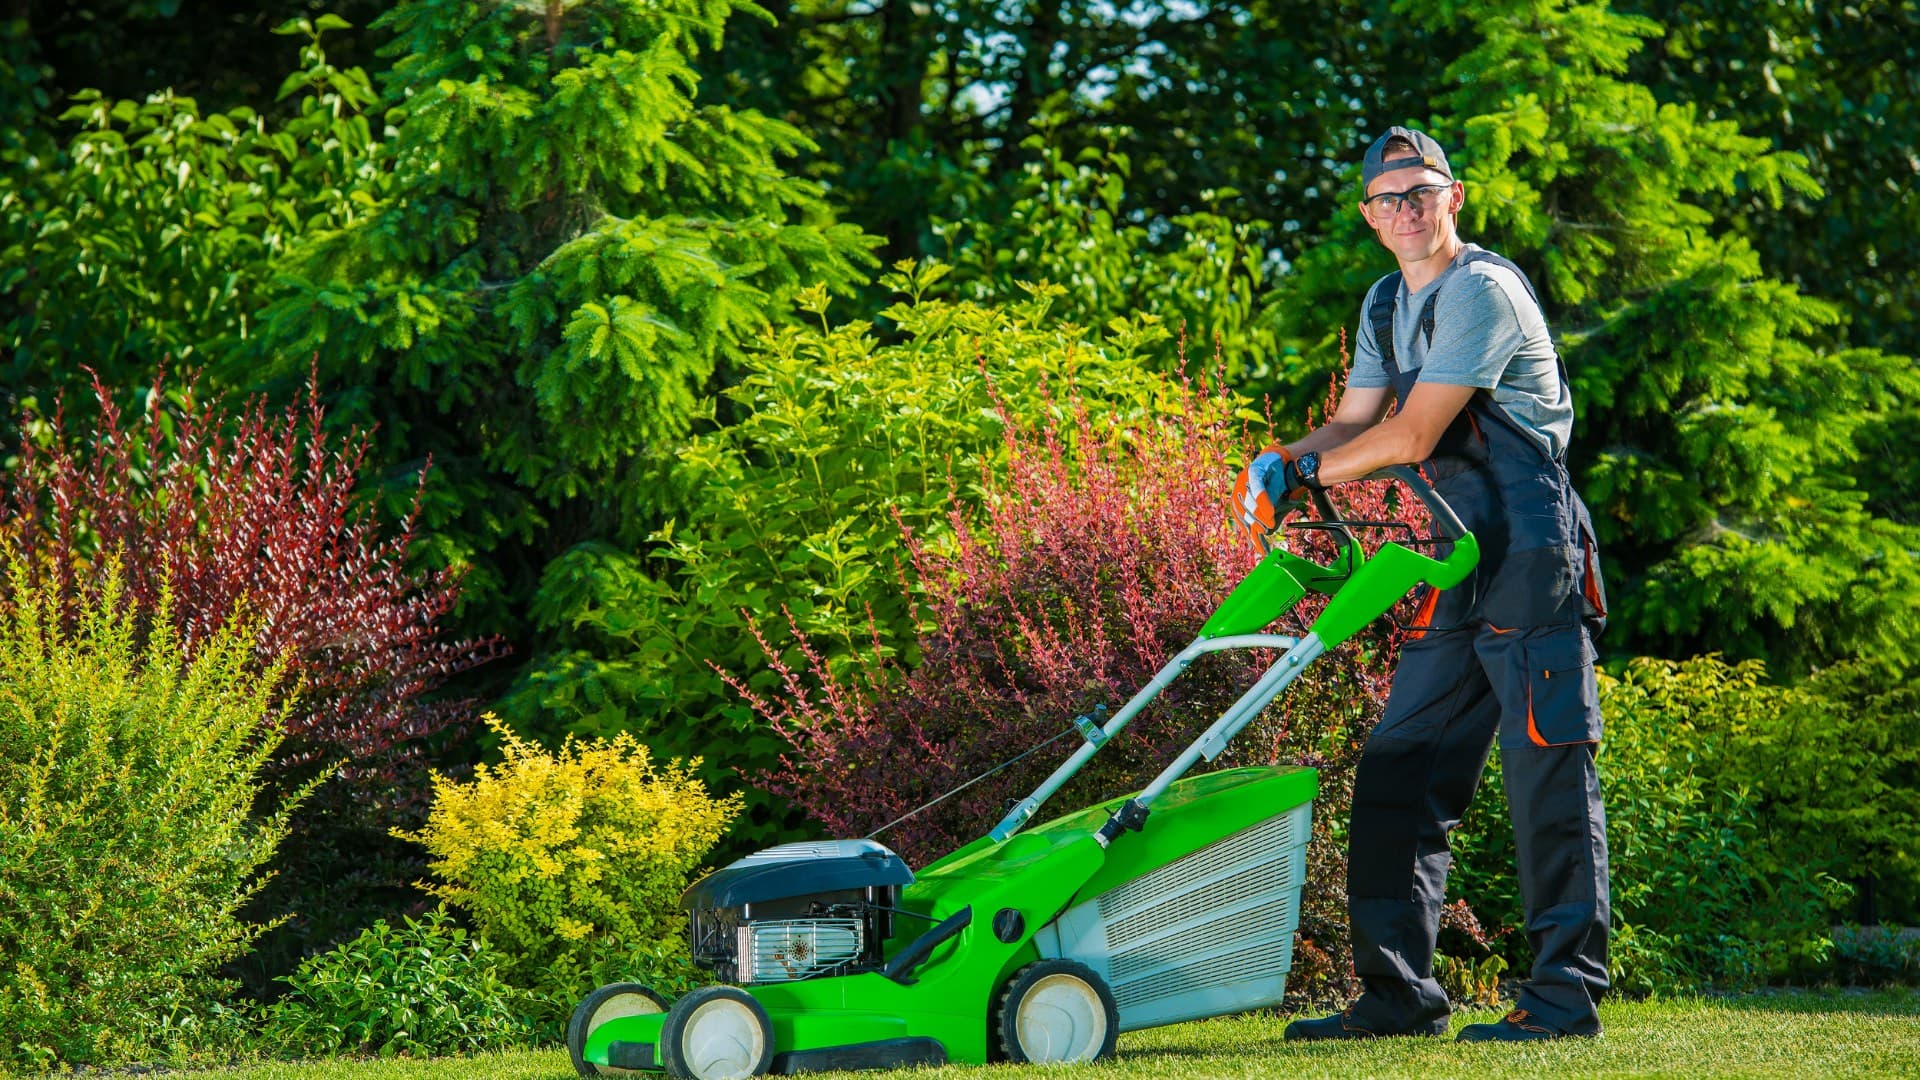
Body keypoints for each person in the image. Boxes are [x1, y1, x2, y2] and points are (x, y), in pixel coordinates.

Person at [1235, 126, 1611, 1042]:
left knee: (1545, 770)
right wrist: (1279, 461)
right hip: (1458, 557)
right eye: (1388, 197)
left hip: (1533, 555)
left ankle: (1563, 1001)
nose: (1405, 208)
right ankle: (1396, 993)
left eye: (1421, 191)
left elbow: (1407, 439)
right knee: (1402, 761)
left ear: (1455, 199)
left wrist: (1314, 479)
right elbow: (1354, 421)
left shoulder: (1482, 289)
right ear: (1369, 218)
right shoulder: (1382, 304)